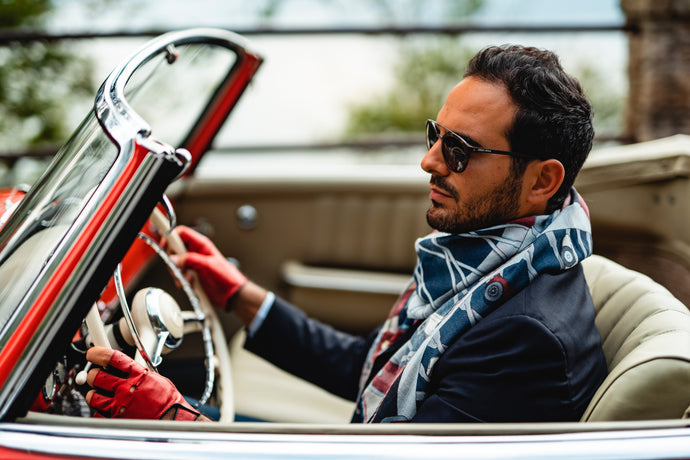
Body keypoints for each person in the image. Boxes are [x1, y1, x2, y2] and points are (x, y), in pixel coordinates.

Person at [85, 44, 607, 423]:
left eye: (460, 150)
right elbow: (371, 368)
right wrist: (240, 295)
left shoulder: (524, 338)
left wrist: (176, 420)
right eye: (436, 135)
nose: (429, 161)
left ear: (543, 181)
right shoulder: (489, 261)